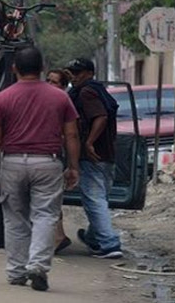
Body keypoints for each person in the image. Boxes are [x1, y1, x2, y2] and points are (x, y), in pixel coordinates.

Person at [0, 47, 80, 292]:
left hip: (13, 162)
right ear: (42, 69)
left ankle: (16, 272)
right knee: (45, 216)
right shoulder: (60, 97)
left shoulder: (3, 97)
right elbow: (71, 134)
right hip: (47, 162)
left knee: (15, 218)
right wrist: (73, 167)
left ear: (14, 68)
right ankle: (38, 266)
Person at [65, 57, 123, 259]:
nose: (74, 77)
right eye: (72, 73)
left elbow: (101, 116)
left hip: (92, 156)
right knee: (100, 198)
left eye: (78, 73)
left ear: (89, 73)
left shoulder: (87, 92)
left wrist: (88, 142)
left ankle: (109, 244)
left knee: (94, 200)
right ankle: (93, 238)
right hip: (106, 155)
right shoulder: (98, 90)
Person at [46, 69, 72, 254]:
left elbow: (70, 134)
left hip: (56, 156)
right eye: (47, 80)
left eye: (54, 82)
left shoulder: (63, 103)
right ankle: (58, 235)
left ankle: (57, 237)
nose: (49, 84)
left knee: (50, 199)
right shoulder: (50, 100)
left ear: (63, 86)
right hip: (52, 155)